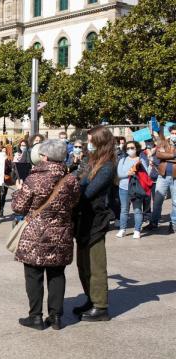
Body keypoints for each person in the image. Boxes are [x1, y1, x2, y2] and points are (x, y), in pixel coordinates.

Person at [12, 139, 81, 331]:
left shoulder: (34, 178)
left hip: (35, 234)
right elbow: (75, 203)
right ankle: (56, 317)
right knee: (57, 274)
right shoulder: (71, 179)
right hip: (62, 233)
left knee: (33, 275)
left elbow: (18, 207)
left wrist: (18, 192)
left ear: (45, 156)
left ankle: (35, 317)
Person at [73, 125, 116, 322]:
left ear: (99, 142)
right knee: (83, 264)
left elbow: (88, 192)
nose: (87, 144)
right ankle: (91, 298)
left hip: (96, 220)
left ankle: (100, 306)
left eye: (91, 141)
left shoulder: (106, 167)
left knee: (96, 264)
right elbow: (79, 181)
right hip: (84, 219)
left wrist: (71, 191)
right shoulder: (92, 162)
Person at [145, 125, 176, 234]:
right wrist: (173, 155)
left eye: (175, 133)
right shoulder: (164, 143)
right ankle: (154, 222)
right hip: (162, 176)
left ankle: (173, 224)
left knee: (175, 202)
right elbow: (158, 154)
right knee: (157, 200)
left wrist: (166, 156)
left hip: (175, 177)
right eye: (172, 133)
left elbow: (163, 155)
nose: (174, 135)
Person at [116, 141, 149, 239]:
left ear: (136, 148)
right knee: (124, 210)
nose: (130, 150)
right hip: (123, 188)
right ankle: (122, 229)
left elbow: (146, 174)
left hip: (136, 188)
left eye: (132, 148)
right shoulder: (123, 160)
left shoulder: (141, 160)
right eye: (128, 148)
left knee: (137, 210)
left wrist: (136, 172)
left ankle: (137, 230)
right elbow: (120, 174)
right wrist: (128, 173)